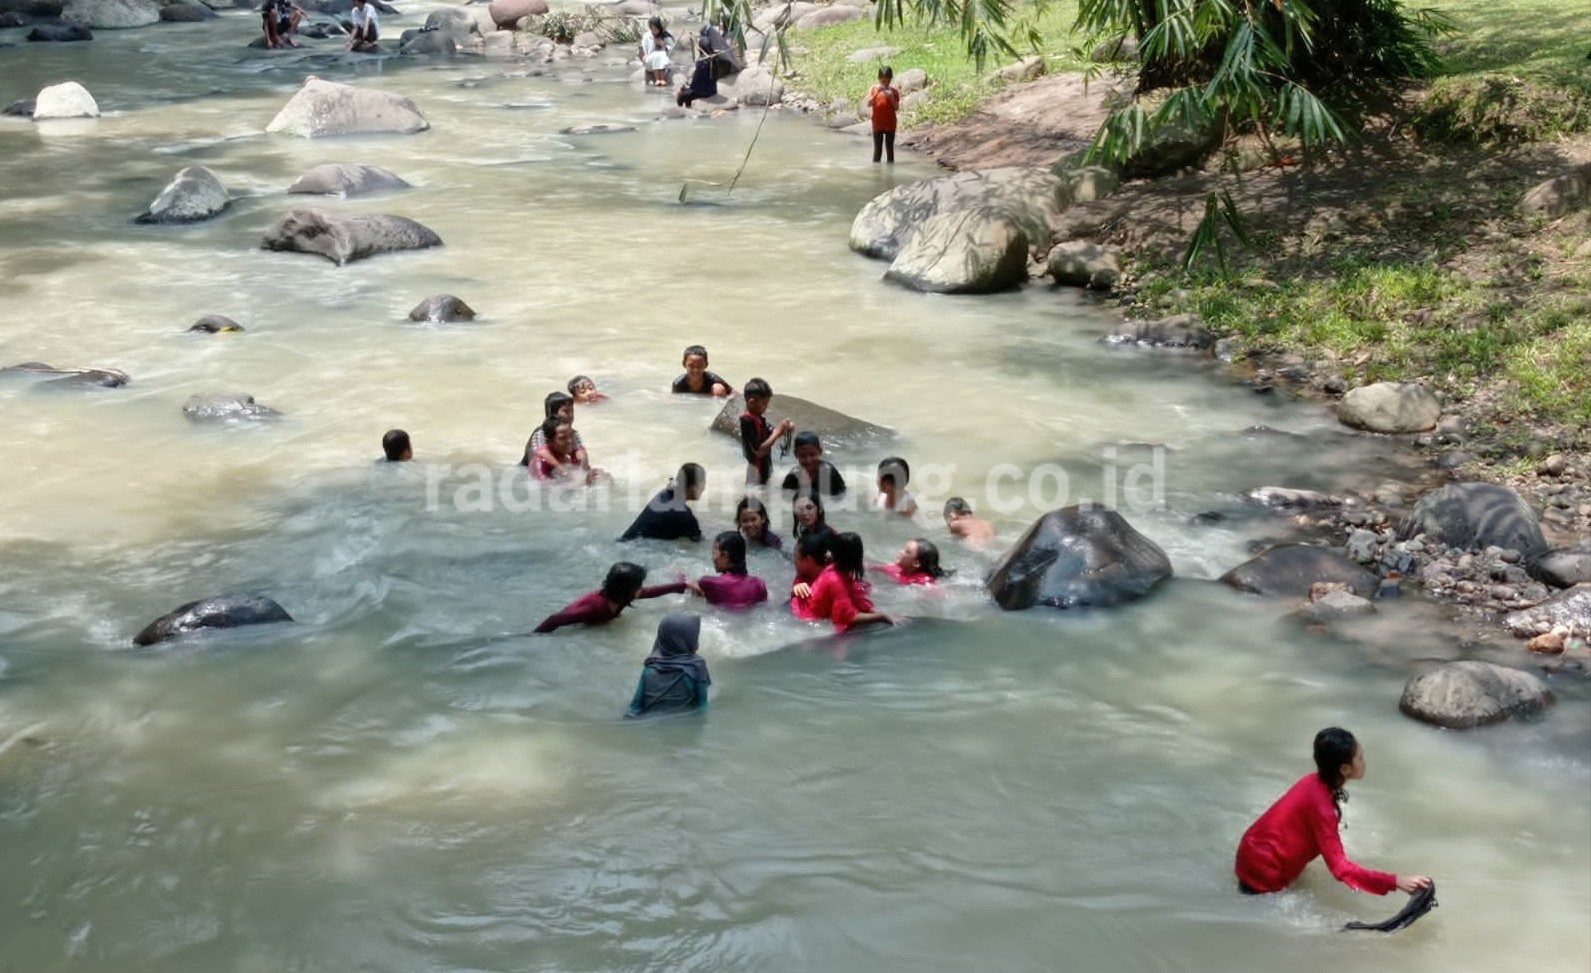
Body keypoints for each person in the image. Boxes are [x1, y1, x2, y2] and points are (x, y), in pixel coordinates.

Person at [1235, 727, 1431, 897]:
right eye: (1360, 758)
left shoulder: (1312, 780)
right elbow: (1339, 868)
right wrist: (1396, 881)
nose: (1364, 762)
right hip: (1263, 874)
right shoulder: (1323, 808)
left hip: (1250, 853)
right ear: (1345, 769)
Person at [533, 562, 687, 634]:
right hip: (579, 623)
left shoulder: (621, 596)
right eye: (639, 585)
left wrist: (682, 585)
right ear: (628, 590)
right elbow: (555, 619)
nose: (642, 588)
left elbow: (652, 592)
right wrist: (532, 638)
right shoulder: (596, 607)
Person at [791, 531, 894, 632]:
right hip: (802, 618)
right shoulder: (834, 579)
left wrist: (881, 613)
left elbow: (857, 598)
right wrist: (882, 616)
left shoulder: (839, 571)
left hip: (804, 610)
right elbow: (847, 618)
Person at [626, 613, 710, 717]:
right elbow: (702, 707)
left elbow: (635, 707)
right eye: (695, 637)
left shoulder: (650, 667)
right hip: (681, 725)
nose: (697, 643)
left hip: (650, 726)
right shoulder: (697, 666)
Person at [620, 463, 706, 542]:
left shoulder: (666, 494)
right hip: (636, 550)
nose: (704, 487)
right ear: (693, 487)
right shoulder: (683, 514)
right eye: (703, 482)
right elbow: (698, 542)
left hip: (626, 543)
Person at [686, 531, 769, 608]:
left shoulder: (709, 582)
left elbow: (688, 585)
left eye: (714, 552)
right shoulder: (759, 584)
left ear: (725, 555)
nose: (713, 557)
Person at [739, 378, 794, 487]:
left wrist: (784, 429)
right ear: (752, 402)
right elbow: (759, 451)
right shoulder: (746, 420)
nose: (766, 407)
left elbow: (769, 433)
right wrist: (778, 432)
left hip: (764, 467)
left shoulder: (758, 418)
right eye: (764, 403)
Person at [520, 392, 589, 468]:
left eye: (572, 411)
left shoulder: (572, 433)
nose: (570, 415)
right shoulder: (541, 433)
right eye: (566, 411)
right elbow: (542, 453)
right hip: (526, 470)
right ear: (552, 414)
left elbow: (580, 451)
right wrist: (562, 470)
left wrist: (583, 470)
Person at [529, 415, 598, 483]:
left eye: (570, 435)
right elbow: (546, 487)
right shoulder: (540, 462)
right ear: (549, 441)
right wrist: (582, 482)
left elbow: (585, 474)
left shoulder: (569, 456)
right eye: (562, 438)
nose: (569, 441)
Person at [780, 432, 846, 497]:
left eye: (812, 455)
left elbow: (841, 496)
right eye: (803, 455)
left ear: (820, 452)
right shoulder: (793, 475)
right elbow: (786, 495)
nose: (808, 460)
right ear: (796, 454)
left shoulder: (829, 472)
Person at [788, 532, 829, 621]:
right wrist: (795, 589)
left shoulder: (830, 581)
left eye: (795, 556)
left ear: (808, 560)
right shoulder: (803, 574)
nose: (793, 560)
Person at [866, 66, 900, 164]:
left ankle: (890, 171)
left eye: (887, 79)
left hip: (890, 123)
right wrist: (877, 93)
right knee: (877, 150)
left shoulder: (893, 91)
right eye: (882, 79)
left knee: (890, 149)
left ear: (890, 79)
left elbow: (896, 107)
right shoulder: (874, 88)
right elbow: (869, 103)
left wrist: (891, 98)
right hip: (877, 123)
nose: (884, 81)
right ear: (879, 78)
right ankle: (876, 172)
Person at [879, 538, 948, 585]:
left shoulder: (923, 580)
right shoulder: (893, 567)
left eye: (907, 551)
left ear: (916, 563)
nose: (901, 552)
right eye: (903, 548)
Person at [697, 13, 743, 79]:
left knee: (705, 40)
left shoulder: (729, 37)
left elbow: (724, 54)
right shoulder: (734, 34)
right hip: (732, 64)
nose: (720, 24)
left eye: (722, 22)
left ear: (727, 23)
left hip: (730, 66)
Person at [639, 16, 675, 88]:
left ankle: (661, 79)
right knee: (657, 54)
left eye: (656, 28)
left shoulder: (666, 36)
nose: (654, 30)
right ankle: (658, 79)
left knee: (660, 54)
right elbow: (645, 52)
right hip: (650, 61)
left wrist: (663, 45)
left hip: (664, 62)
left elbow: (673, 50)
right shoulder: (647, 36)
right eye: (652, 28)